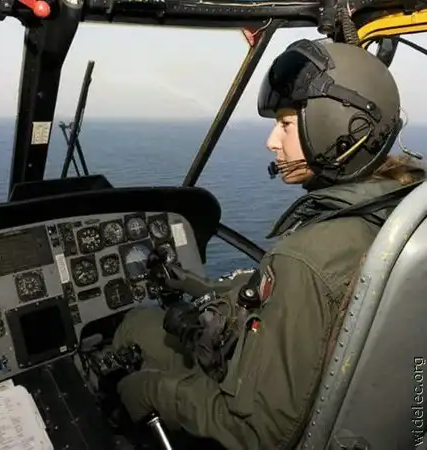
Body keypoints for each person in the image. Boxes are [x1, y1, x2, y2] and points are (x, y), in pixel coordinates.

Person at [110, 38, 426, 449]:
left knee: (136, 326)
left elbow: (259, 431)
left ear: (335, 127)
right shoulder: (403, 211)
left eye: (286, 125)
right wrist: (198, 286)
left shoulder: (305, 258)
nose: (272, 142)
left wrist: (148, 392)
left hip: (270, 411)